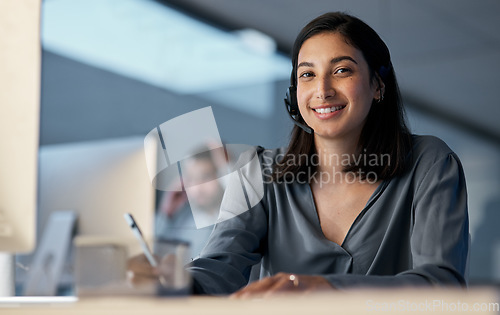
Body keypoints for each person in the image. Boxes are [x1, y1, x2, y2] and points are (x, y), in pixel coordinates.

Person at [129, 12, 469, 297]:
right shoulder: (259, 172)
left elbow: (441, 283)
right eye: (307, 74)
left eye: (342, 70)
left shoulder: (429, 162)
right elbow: (219, 265)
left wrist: (326, 288)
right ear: (295, 94)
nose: (322, 90)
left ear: (378, 85)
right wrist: (174, 281)